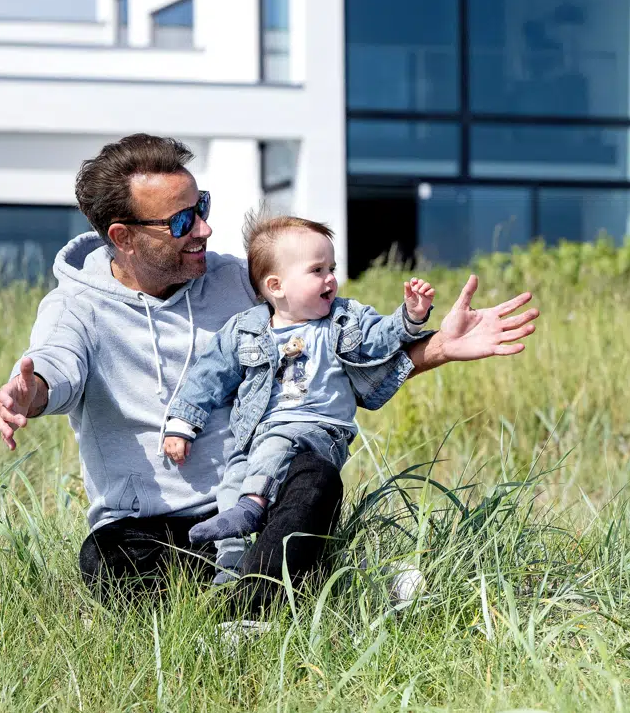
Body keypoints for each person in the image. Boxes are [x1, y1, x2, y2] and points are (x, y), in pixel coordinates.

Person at [0, 134, 538, 607]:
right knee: (109, 564)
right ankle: (318, 587)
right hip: (150, 525)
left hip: (255, 499)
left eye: (201, 205)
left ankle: (252, 606)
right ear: (124, 237)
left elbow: (332, 355)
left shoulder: (239, 282)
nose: (204, 228)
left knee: (313, 474)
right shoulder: (75, 308)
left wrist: (439, 344)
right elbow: (56, 366)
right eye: (182, 220)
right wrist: (30, 393)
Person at [158, 214, 437, 585]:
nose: (331, 278)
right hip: (255, 435)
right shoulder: (246, 329)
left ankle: (253, 504)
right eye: (317, 270)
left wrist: (410, 317)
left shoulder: (343, 319)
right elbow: (207, 375)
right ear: (276, 286)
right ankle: (230, 565)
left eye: (332, 268)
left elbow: (377, 338)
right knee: (231, 481)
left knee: (279, 444)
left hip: (318, 429)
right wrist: (182, 425)